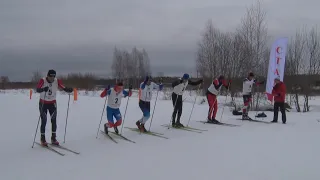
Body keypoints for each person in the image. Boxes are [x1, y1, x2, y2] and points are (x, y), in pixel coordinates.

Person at [36, 69, 73, 146]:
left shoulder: (57, 81)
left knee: (54, 120)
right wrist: (43, 89)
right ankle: (43, 139)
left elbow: (63, 87)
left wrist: (68, 89)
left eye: (54, 76)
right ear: (48, 75)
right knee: (44, 120)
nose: (52, 78)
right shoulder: (43, 80)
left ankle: (53, 138)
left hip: (52, 103)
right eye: (50, 76)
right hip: (43, 103)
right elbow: (38, 89)